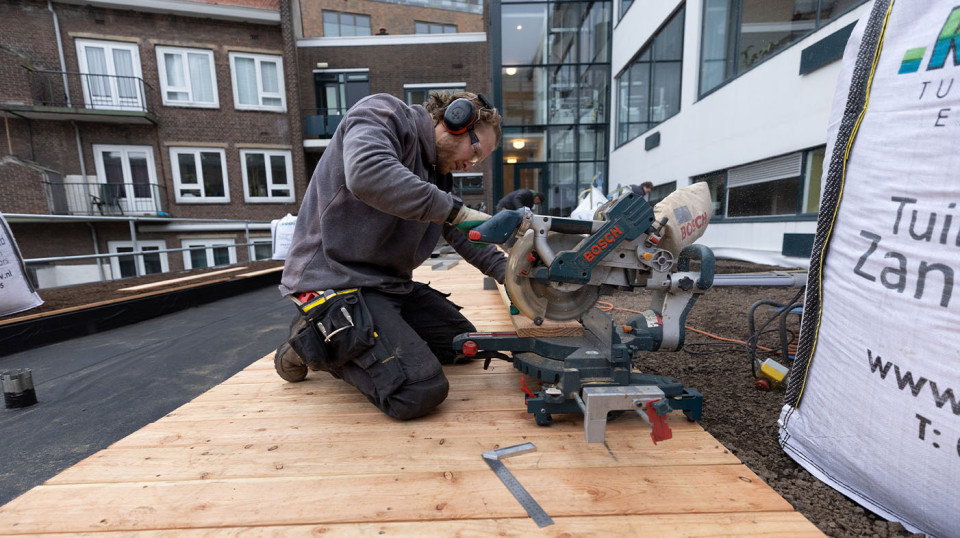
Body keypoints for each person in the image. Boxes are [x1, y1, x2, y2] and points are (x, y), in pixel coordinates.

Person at [275, 91, 506, 420]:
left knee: (462, 344)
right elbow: (368, 174)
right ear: (455, 120)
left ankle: (358, 334)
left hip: (386, 285)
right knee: (416, 391)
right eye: (477, 150)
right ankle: (312, 339)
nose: (472, 163)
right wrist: (456, 211)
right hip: (334, 279)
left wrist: (512, 273)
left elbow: (462, 233)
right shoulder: (383, 115)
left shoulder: (437, 173)